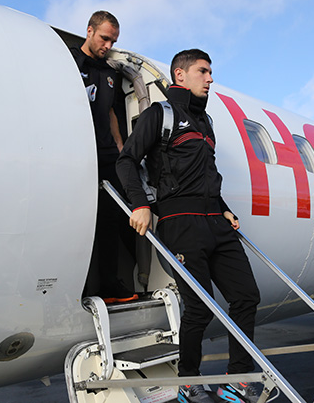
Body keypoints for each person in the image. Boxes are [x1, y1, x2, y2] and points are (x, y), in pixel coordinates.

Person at [116, 49, 261, 403]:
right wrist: (140, 204)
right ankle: (188, 380)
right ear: (180, 75)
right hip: (180, 222)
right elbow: (126, 161)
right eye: (203, 71)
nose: (210, 78)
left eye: (210, 72)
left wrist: (224, 209)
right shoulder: (159, 114)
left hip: (216, 222)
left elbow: (205, 174)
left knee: (246, 296)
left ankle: (239, 378)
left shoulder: (205, 122)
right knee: (200, 306)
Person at [71, 11, 136, 303]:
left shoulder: (110, 73)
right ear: (89, 31)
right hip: (79, 153)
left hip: (107, 156)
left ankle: (109, 285)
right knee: (80, 221)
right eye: (104, 38)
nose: (108, 45)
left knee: (110, 220)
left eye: (113, 41)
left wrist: (120, 148)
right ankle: (79, 287)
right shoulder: (71, 62)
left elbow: (110, 112)